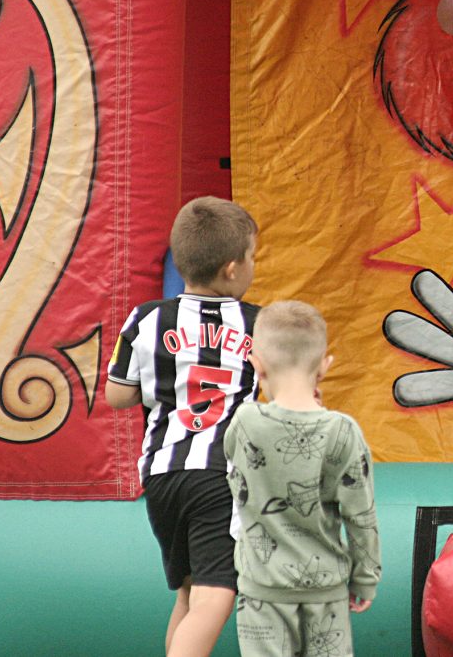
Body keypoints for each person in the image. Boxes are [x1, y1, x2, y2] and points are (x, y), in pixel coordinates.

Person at [106, 196, 259, 657]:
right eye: (253, 257)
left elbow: (117, 395)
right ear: (232, 269)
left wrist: (165, 382)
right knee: (218, 594)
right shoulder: (258, 324)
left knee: (190, 593)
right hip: (219, 474)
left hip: (161, 475)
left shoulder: (146, 318)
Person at [224, 300, 381, 657]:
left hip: (261, 592)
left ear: (256, 364)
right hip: (326, 592)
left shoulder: (246, 422)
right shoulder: (343, 432)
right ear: (325, 367)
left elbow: (234, 463)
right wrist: (365, 578)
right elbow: (361, 515)